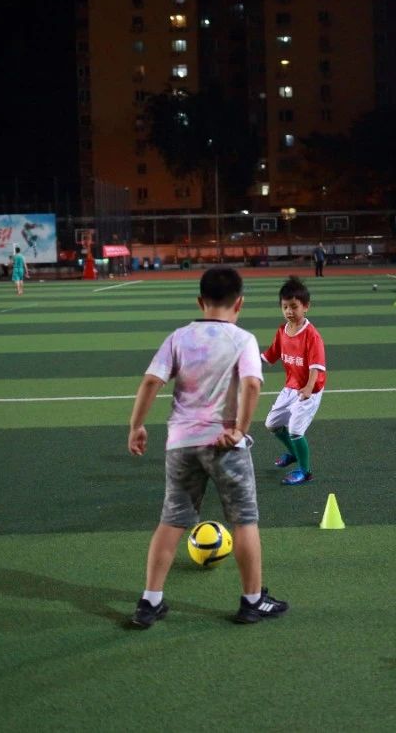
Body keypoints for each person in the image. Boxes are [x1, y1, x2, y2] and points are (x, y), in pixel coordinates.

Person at [126, 267, 288, 627]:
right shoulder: (242, 340)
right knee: (244, 520)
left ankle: (150, 602)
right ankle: (252, 601)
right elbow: (251, 386)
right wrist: (239, 429)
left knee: (171, 521)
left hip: (181, 444)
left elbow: (151, 380)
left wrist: (136, 426)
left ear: (200, 301)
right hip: (225, 445)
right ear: (240, 303)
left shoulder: (179, 337)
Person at [263, 276, 328, 485]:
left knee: (295, 430)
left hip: (310, 389)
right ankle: (293, 453)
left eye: (294, 306)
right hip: (291, 387)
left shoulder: (312, 335)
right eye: (285, 307)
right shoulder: (282, 331)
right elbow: (270, 355)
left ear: (306, 307)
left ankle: (305, 471)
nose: (290, 311)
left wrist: (309, 387)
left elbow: (316, 367)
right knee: (272, 424)